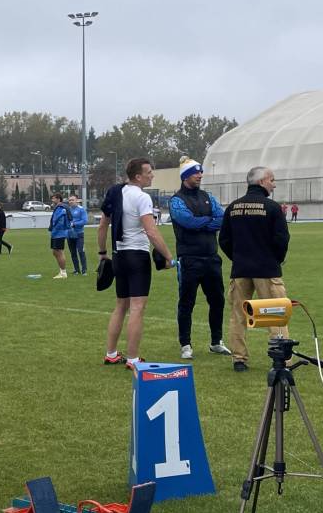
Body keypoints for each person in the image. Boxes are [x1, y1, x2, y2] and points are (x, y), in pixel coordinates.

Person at [97, 158, 174, 369]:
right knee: (137, 307)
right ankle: (132, 359)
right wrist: (168, 256)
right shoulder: (142, 197)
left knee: (120, 305)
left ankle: (111, 353)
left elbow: (102, 225)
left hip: (119, 255)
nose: (152, 175)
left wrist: (102, 253)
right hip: (137, 256)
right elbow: (151, 231)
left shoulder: (116, 192)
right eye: (149, 172)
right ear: (138, 176)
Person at [218, 166, 290, 372]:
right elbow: (281, 238)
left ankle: (239, 359)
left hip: (240, 269)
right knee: (275, 314)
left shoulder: (233, 207)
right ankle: (281, 359)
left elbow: (224, 240)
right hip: (267, 270)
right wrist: (276, 259)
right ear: (262, 181)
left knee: (238, 316)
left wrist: (238, 257)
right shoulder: (272, 207)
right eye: (272, 180)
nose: (274, 185)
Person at [169, 157, 232, 359]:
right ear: (185, 176)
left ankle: (216, 342)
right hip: (189, 259)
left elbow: (222, 219)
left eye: (201, 172)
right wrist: (208, 222)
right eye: (196, 173)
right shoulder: (176, 200)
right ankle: (185, 344)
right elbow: (188, 222)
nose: (200, 175)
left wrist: (202, 223)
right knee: (187, 302)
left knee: (217, 300)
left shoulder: (207, 197)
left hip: (211, 258)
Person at [48, 193, 72, 279]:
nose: (52, 200)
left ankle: (63, 272)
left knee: (59, 252)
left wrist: (55, 231)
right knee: (55, 252)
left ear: (58, 199)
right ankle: (61, 271)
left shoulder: (61, 208)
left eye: (53, 198)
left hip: (59, 233)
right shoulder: (59, 207)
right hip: (56, 233)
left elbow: (59, 221)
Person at [67, 195, 88, 275]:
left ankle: (84, 270)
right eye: (69, 200)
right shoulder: (68, 210)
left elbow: (85, 221)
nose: (71, 201)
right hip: (69, 234)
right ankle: (76, 270)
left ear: (77, 200)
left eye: (72, 200)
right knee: (73, 253)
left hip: (79, 234)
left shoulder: (81, 209)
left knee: (81, 251)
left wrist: (74, 224)